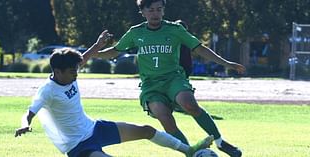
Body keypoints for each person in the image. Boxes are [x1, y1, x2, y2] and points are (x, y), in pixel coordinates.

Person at [82, 1, 245, 157]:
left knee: (190, 104)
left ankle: (220, 142)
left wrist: (226, 63)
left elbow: (200, 49)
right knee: (164, 117)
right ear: (143, 12)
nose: (155, 13)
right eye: (151, 10)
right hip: (151, 86)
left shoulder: (175, 29)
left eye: (159, 9)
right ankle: (190, 152)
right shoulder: (135, 32)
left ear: (163, 11)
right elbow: (114, 51)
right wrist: (94, 50)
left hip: (173, 79)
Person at [14, 31, 214, 157]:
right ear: (57, 72)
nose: (77, 73)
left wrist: (98, 45)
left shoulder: (68, 71)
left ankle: (188, 151)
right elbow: (29, 112)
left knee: (146, 130)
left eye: (77, 69)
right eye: (72, 71)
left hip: (94, 128)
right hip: (78, 147)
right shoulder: (47, 90)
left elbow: (83, 58)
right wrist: (25, 124)